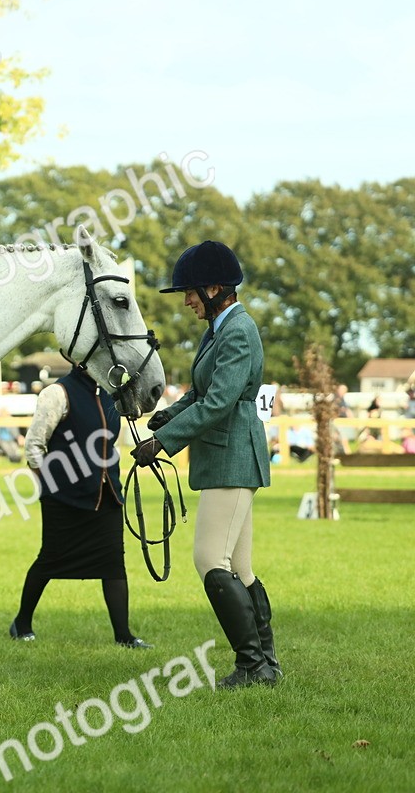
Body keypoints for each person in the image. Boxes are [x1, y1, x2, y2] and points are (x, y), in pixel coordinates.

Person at [132, 240, 279, 688]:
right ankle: (265, 664)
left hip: (232, 455)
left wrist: (162, 443)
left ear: (216, 287)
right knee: (240, 567)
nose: (188, 300)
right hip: (223, 455)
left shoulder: (238, 330)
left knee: (209, 559)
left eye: (191, 291)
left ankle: (252, 665)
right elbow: (200, 394)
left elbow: (218, 403)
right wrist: (167, 416)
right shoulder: (218, 328)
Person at [9, 363, 152, 650]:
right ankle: (21, 623)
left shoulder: (112, 394)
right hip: (63, 498)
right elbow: (34, 446)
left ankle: (123, 635)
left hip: (108, 494)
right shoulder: (57, 392)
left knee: (114, 565)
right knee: (49, 560)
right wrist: (50, 484)